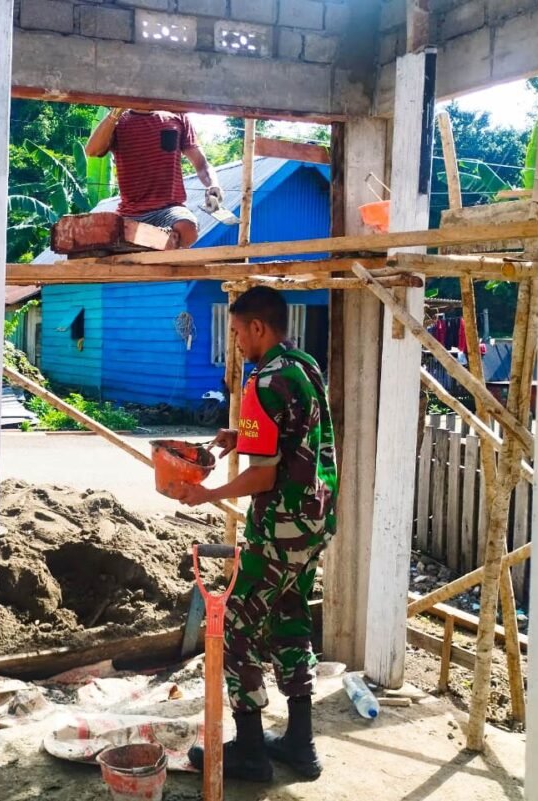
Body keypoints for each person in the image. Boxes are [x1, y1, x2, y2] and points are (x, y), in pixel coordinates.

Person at [172, 286, 337, 783]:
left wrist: (208, 493)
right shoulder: (302, 366)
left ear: (258, 328)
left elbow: (264, 474)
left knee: (237, 628)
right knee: (289, 620)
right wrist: (238, 437)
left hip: (280, 527)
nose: (237, 343)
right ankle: (300, 745)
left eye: (239, 332)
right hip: (314, 523)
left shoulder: (262, 380)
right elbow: (294, 437)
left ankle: (248, 750)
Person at [85, 108, 221, 249]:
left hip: (168, 211)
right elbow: (92, 150)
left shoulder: (177, 114)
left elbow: (202, 165)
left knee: (187, 228)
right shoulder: (119, 119)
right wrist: (115, 113)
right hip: (131, 214)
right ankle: (155, 240)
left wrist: (213, 186)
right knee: (98, 233)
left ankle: (157, 240)